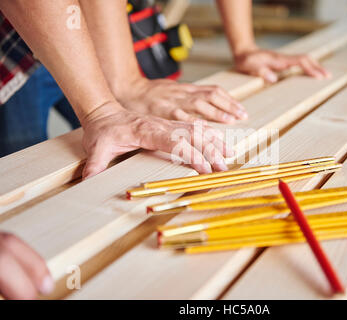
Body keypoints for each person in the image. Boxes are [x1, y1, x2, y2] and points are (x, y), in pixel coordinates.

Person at [0, 0, 329, 299]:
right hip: (20, 29)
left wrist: (244, 45)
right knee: (28, 187)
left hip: (106, 15)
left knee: (127, 144)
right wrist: (106, 105)